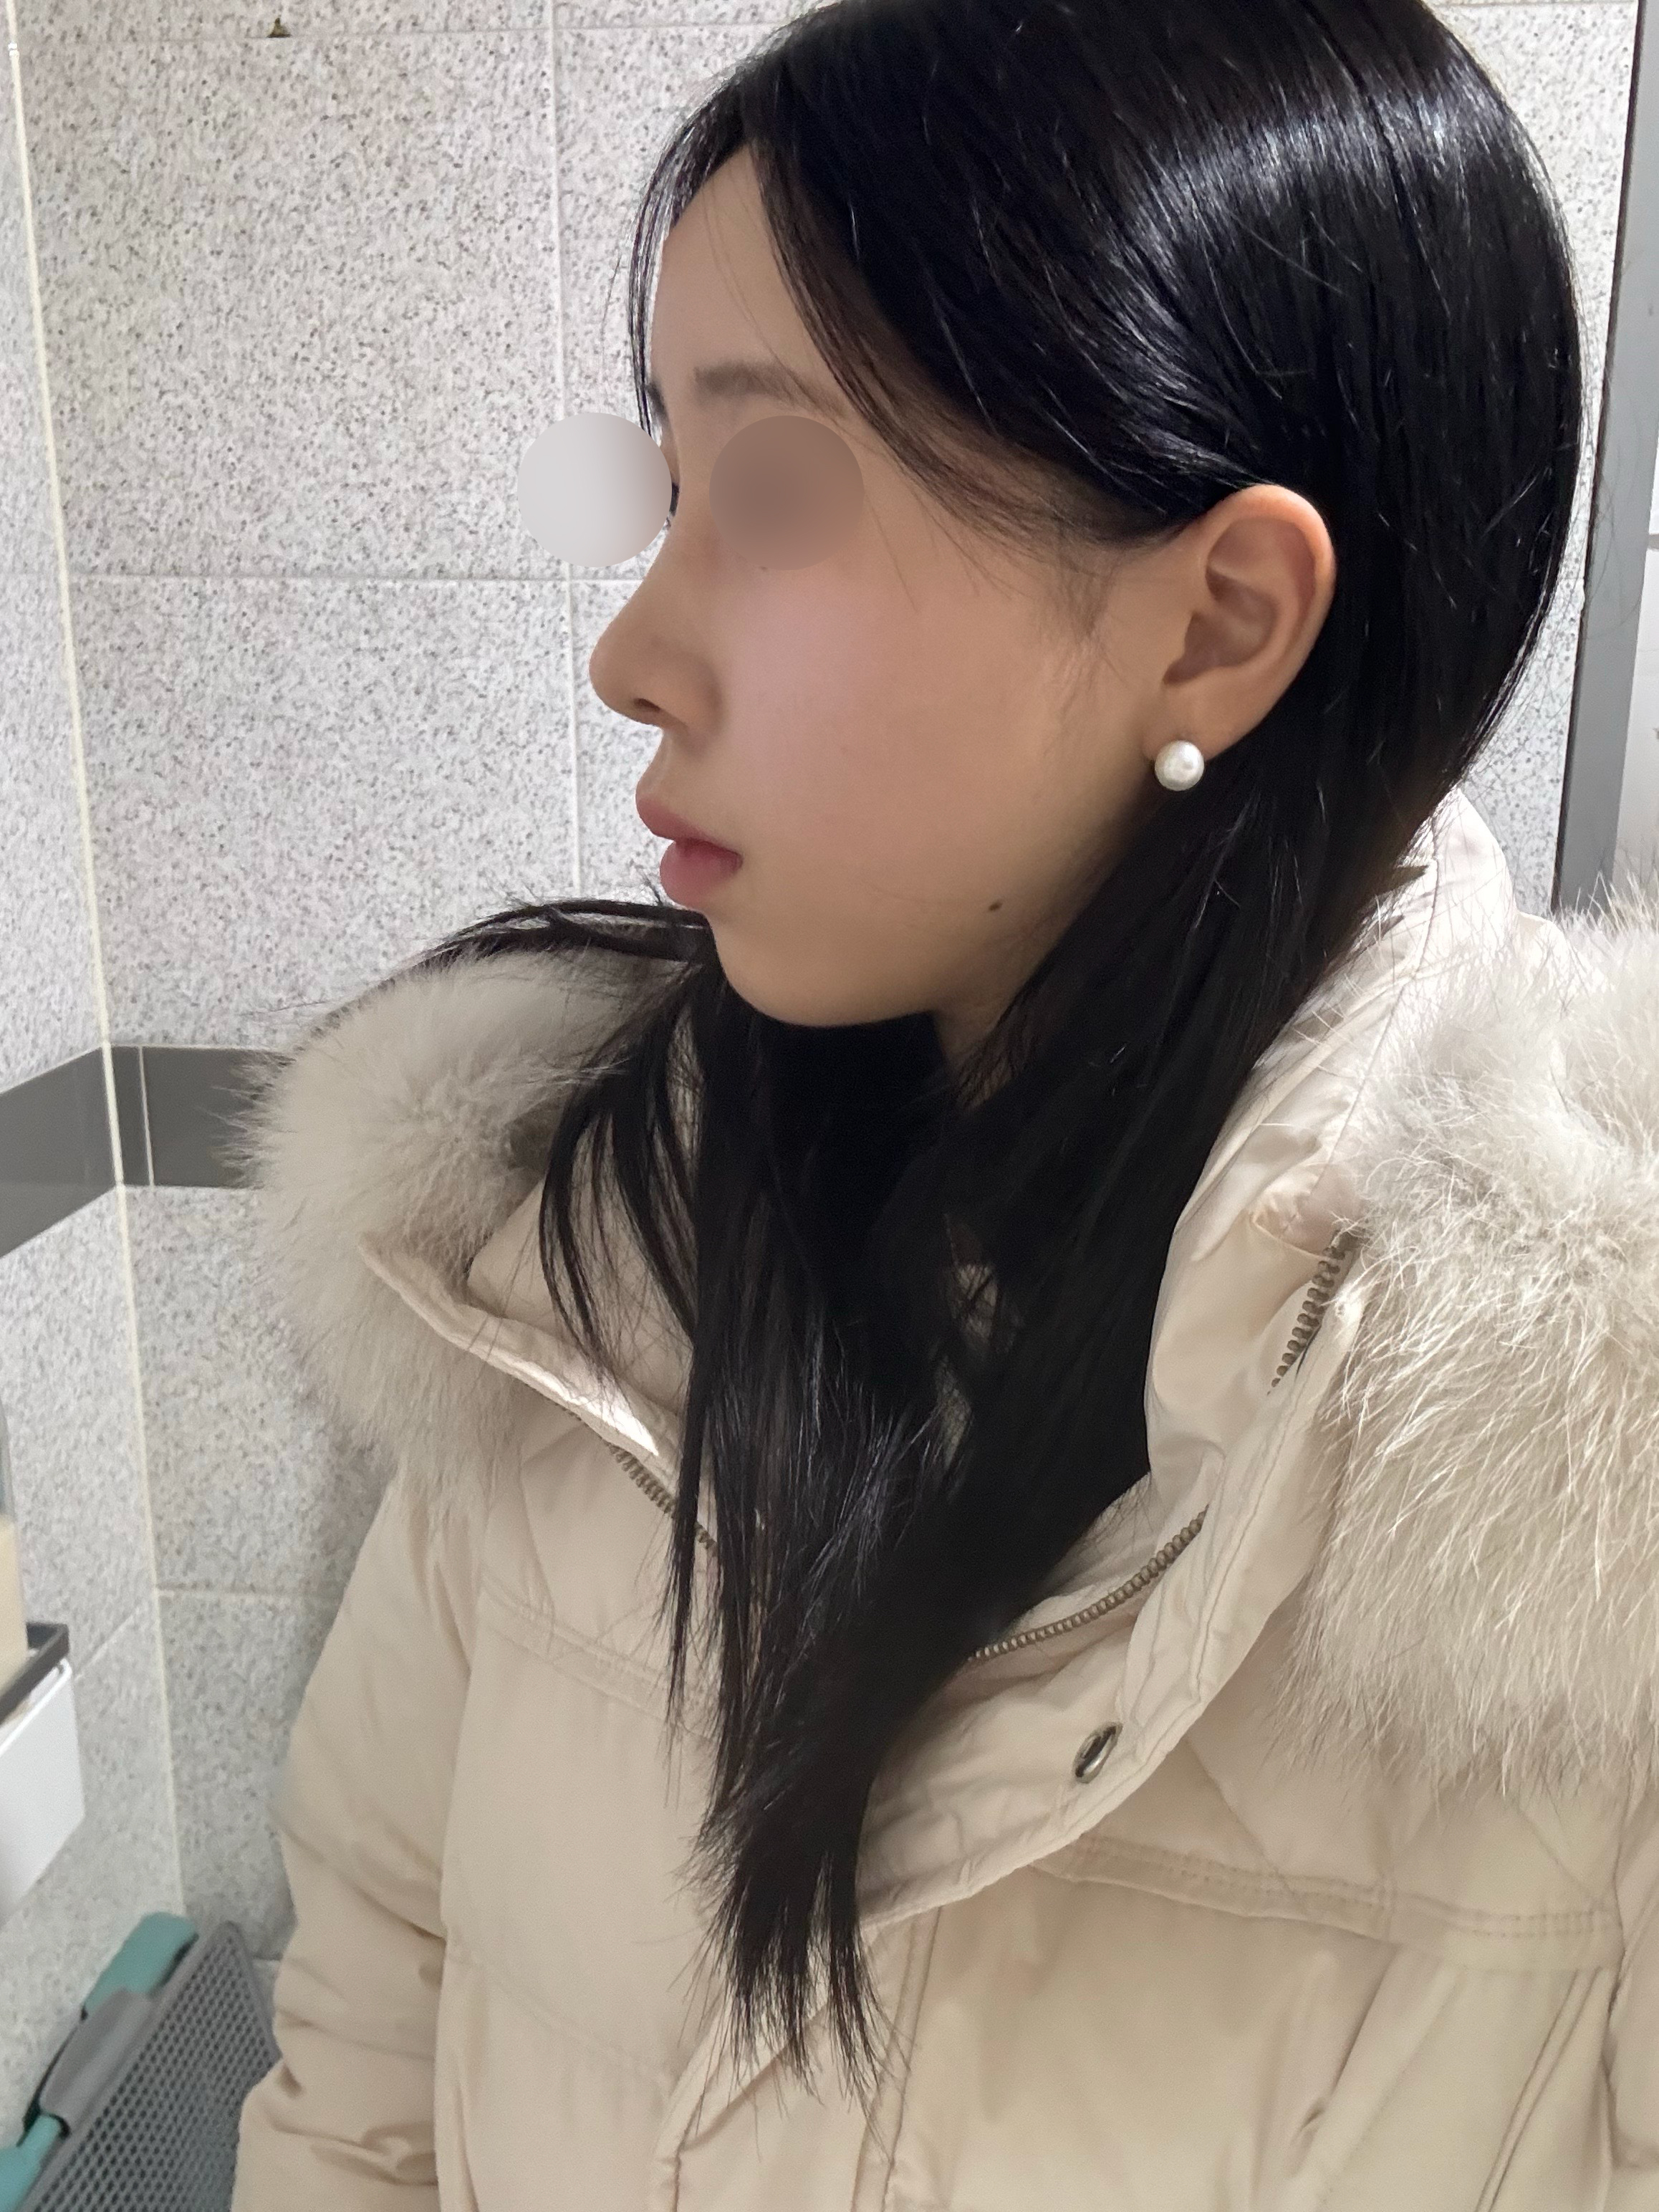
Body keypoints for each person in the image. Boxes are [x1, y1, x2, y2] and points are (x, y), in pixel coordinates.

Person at [229, 0, 1659, 2203]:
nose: (629, 651)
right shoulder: (564, 1263)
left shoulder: (1583, 1537)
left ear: (1218, 625)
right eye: (673, 487)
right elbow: (361, 2073)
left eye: (771, 493)